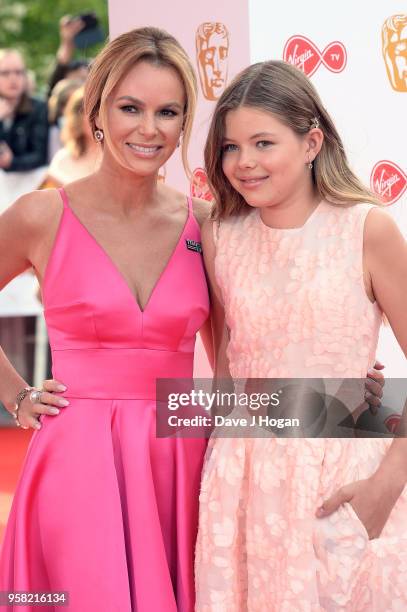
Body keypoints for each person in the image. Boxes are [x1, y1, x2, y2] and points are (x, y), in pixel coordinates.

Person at [0, 27, 211, 611]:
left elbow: (250, 345)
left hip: (181, 456)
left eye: (168, 111)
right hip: (77, 463)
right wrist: (15, 397)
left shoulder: (209, 223)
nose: (149, 129)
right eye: (130, 108)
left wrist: (352, 399)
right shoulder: (40, 215)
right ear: (96, 111)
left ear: (184, 124)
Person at [195, 61, 407, 610]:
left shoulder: (367, 229)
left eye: (263, 143)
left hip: (342, 481)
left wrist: (383, 491)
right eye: (230, 147)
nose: (243, 163)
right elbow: (226, 371)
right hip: (239, 489)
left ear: (312, 141)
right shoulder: (221, 236)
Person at [0, 48, 48, 173]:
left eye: (19, 72)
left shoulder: (38, 108)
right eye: (5, 73)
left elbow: (40, 155)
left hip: (28, 184)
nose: (13, 78)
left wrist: (12, 162)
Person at [46, 86, 101, 186]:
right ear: (77, 119)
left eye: (102, 112)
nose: (99, 120)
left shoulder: (118, 158)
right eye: (92, 113)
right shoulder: (62, 158)